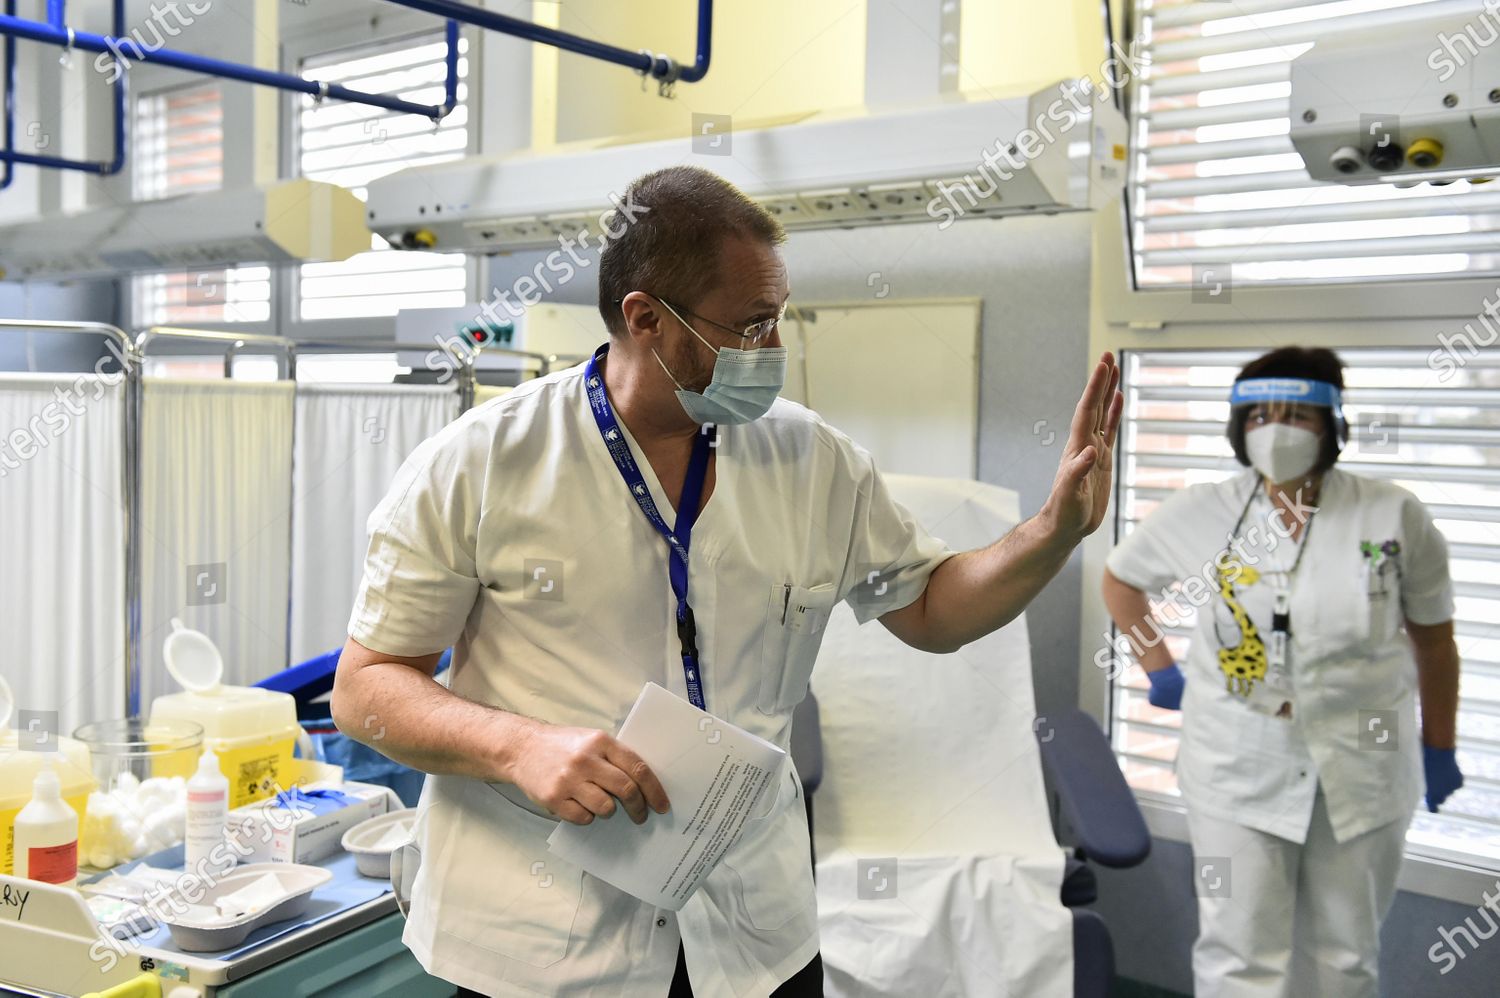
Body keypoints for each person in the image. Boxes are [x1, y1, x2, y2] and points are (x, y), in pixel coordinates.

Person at [331, 164, 1121, 997]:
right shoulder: (481, 463)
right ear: (647, 319)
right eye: (750, 326)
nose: (773, 351)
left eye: (777, 321)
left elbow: (930, 608)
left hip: (750, 932)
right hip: (545, 945)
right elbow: (367, 689)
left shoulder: (811, 461)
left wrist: (1052, 530)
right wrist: (518, 746)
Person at [1101, 347, 1463, 998]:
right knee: (1239, 959)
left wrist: (1440, 746)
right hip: (1235, 764)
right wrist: (1160, 670)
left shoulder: (1392, 515)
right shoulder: (1202, 510)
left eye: (1298, 413)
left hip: (1364, 765)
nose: (1277, 428)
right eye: (1261, 413)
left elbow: (1435, 643)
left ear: (1334, 427)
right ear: (1238, 428)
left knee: (1344, 961)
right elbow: (1121, 581)